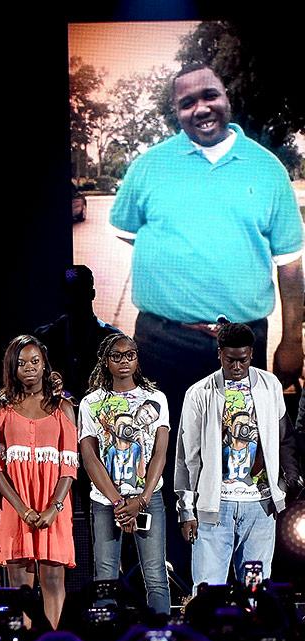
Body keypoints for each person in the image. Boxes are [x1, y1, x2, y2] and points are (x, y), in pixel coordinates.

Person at [110, 64, 304, 404]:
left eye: (210, 95)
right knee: (165, 450)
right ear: (177, 111)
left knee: (236, 449)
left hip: (242, 344)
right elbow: (127, 232)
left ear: (226, 98)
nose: (201, 108)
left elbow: (289, 265)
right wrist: (177, 252)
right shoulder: (149, 166)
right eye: (187, 102)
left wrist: (292, 342)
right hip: (161, 342)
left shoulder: (268, 168)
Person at [175, 322, 298, 589]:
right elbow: (186, 457)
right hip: (214, 506)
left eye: (242, 359)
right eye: (230, 360)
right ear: (219, 354)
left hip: (260, 507)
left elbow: (284, 436)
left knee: (256, 593)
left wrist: (287, 483)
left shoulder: (270, 385)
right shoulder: (199, 393)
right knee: (208, 590)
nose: (237, 366)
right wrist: (186, 510)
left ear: (251, 354)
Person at [78, 333, 171, 616]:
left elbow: (159, 453)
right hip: (108, 504)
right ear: (106, 362)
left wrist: (141, 500)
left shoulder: (155, 398)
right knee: (105, 575)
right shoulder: (91, 403)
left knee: (155, 574)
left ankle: (161, 632)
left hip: (147, 498)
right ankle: (106, 637)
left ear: (137, 358)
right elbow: (90, 457)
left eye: (129, 354)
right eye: (116, 356)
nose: (124, 361)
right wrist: (119, 502)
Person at [0, 335, 77, 629]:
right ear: (12, 369)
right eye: (21, 363)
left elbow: (69, 466)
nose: (28, 368)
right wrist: (23, 510)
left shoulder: (63, 408)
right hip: (16, 509)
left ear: (44, 366)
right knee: (20, 586)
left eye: (34, 361)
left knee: (53, 579)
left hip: (54, 507)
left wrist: (54, 508)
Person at [34, 266, 121, 402]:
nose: (74, 298)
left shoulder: (113, 340)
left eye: (79, 292)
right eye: (71, 292)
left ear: (92, 294)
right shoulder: (43, 337)